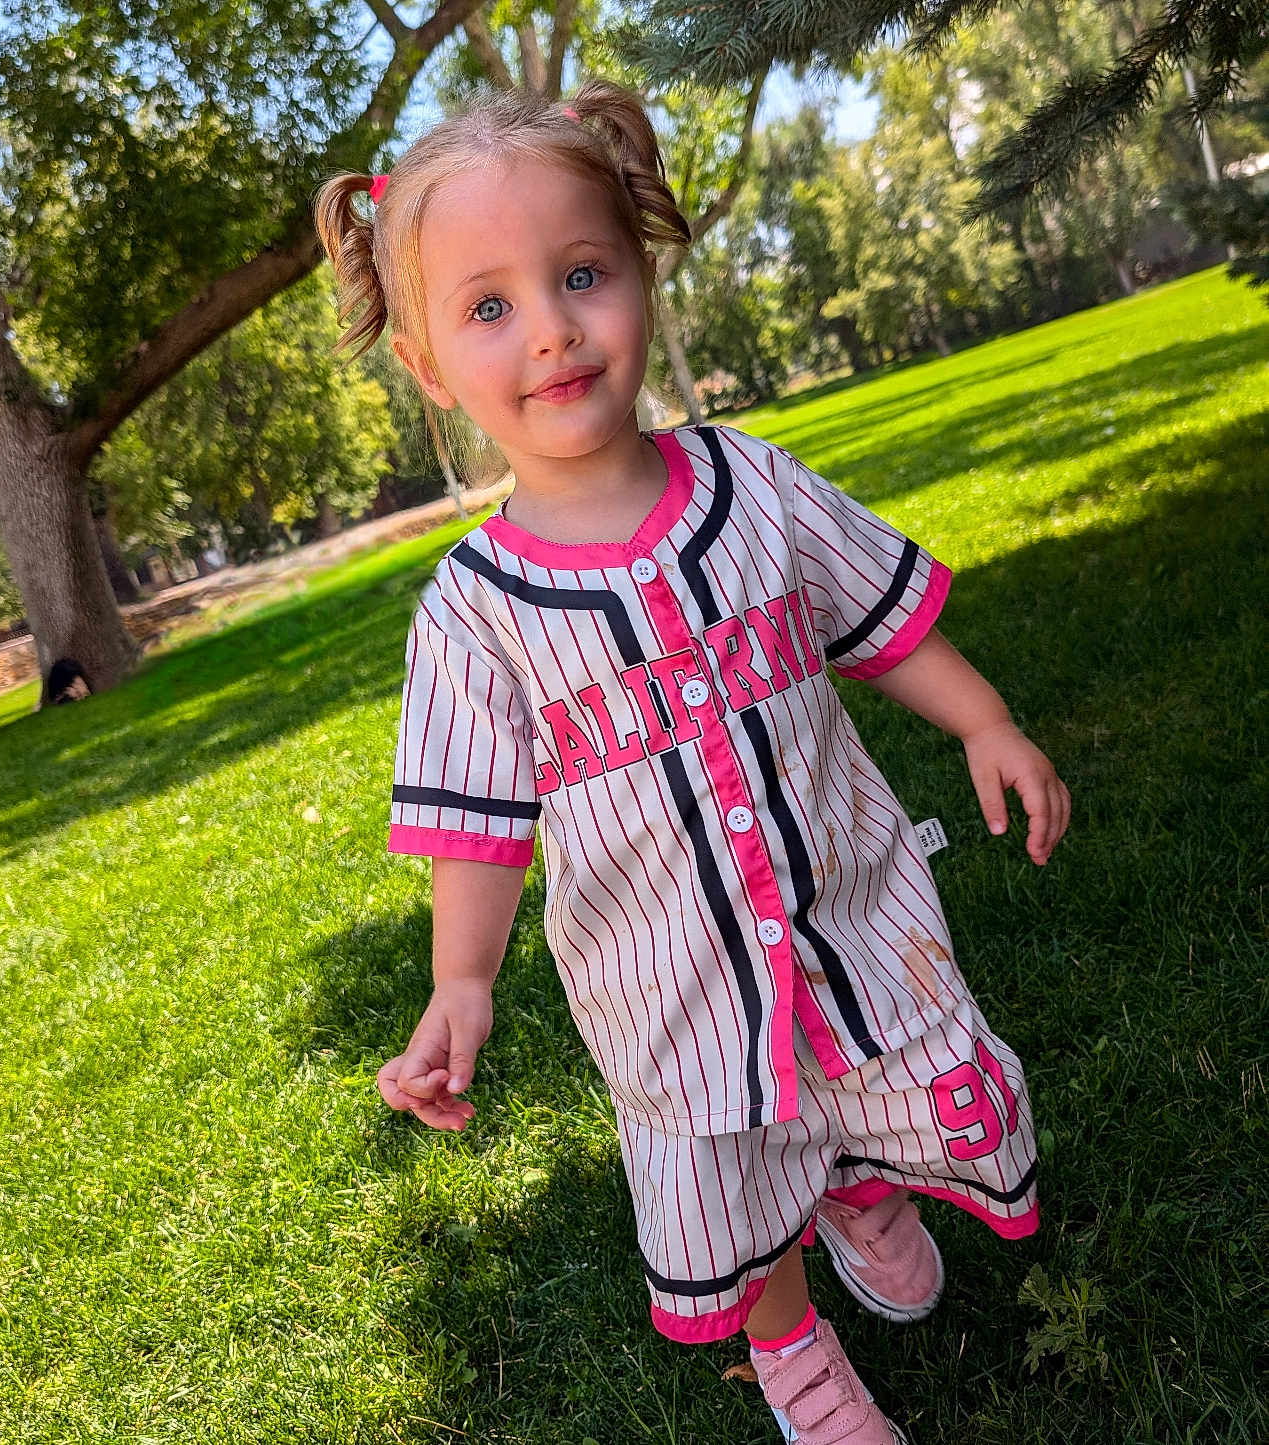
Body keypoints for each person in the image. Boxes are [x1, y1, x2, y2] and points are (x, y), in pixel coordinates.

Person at [314, 78, 1070, 1445]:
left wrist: (983, 720)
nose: (549, 329)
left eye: (580, 273)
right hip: (666, 989)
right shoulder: (475, 612)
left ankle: (853, 1180)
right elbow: (475, 825)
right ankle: (787, 1342)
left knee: (869, 1061)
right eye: (487, 307)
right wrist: (460, 982)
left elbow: (870, 623)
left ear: (640, 272)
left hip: (846, 905)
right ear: (427, 364)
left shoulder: (752, 484)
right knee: (725, 1157)